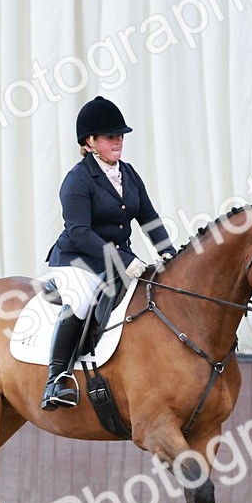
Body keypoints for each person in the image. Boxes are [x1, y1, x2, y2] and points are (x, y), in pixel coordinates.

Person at [41, 96, 176, 410]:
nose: (118, 141)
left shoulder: (127, 174)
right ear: (90, 141)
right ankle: (56, 379)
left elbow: (149, 217)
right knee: (81, 301)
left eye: (120, 136)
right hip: (77, 259)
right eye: (110, 136)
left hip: (117, 261)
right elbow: (79, 231)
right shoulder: (77, 180)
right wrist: (125, 260)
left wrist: (168, 252)